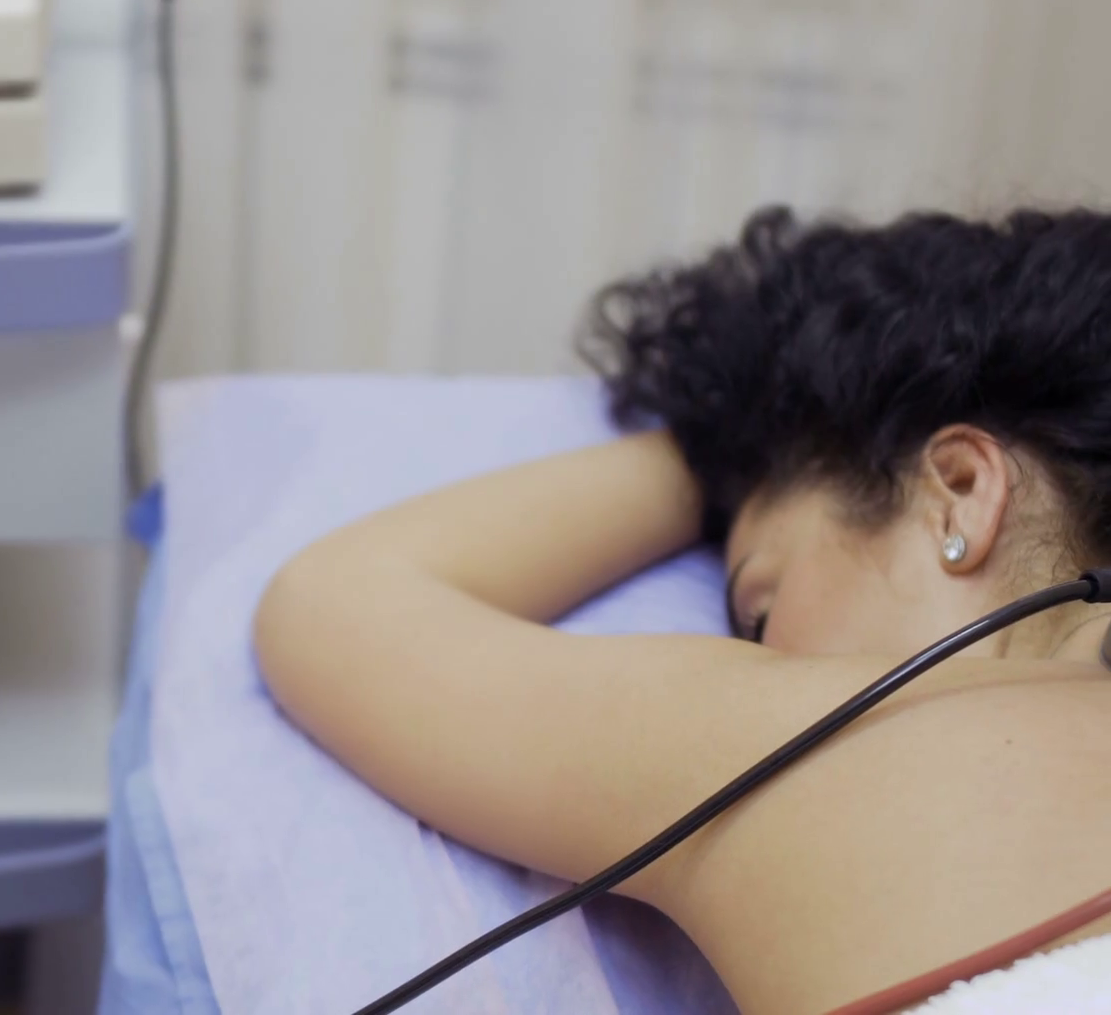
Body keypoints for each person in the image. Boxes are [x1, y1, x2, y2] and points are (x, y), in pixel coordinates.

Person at [255, 206, 1111, 1015]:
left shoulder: (834, 741)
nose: (763, 654)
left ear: (957, 494)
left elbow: (336, 602)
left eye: (760, 609)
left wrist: (722, 439)